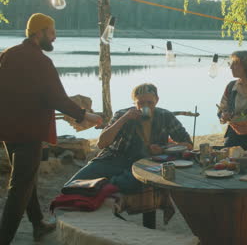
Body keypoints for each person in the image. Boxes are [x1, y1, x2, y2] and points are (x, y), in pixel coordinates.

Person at [0, 13, 103, 244]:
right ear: (39, 32)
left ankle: (37, 225)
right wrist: (86, 115)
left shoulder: (9, 54)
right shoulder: (40, 61)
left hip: (7, 130)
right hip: (29, 133)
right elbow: (58, 98)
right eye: (52, 32)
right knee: (20, 187)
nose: (55, 38)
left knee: (27, 179)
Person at [65, 83, 193, 194]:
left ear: (157, 100)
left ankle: (107, 184)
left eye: (150, 103)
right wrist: (124, 119)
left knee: (138, 182)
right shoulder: (122, 115)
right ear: (134, 102)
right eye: (141, 103)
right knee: (71, 185)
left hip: (144, 163)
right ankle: (108, 183)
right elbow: (101, 144)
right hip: (113, 159)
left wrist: (164, 149)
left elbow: (187, 144)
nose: (145, 107)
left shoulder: (165, 116)